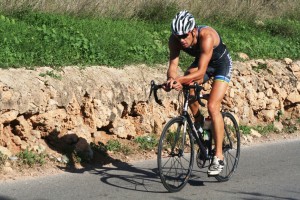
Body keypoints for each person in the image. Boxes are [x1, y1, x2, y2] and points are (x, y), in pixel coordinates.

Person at [164, 10, 232, 176]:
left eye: (184, 36)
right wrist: (172, 81)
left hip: (221, 64)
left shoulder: (206, 36)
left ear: (193, 31)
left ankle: (219, 156)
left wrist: (180, 80)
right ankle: (201, 125)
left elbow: (201, 73)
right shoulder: (174, 40)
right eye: (177, 36)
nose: (181, 40)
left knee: (212, 105)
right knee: (188, 86)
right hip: (203, 62)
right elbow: (172, 67)